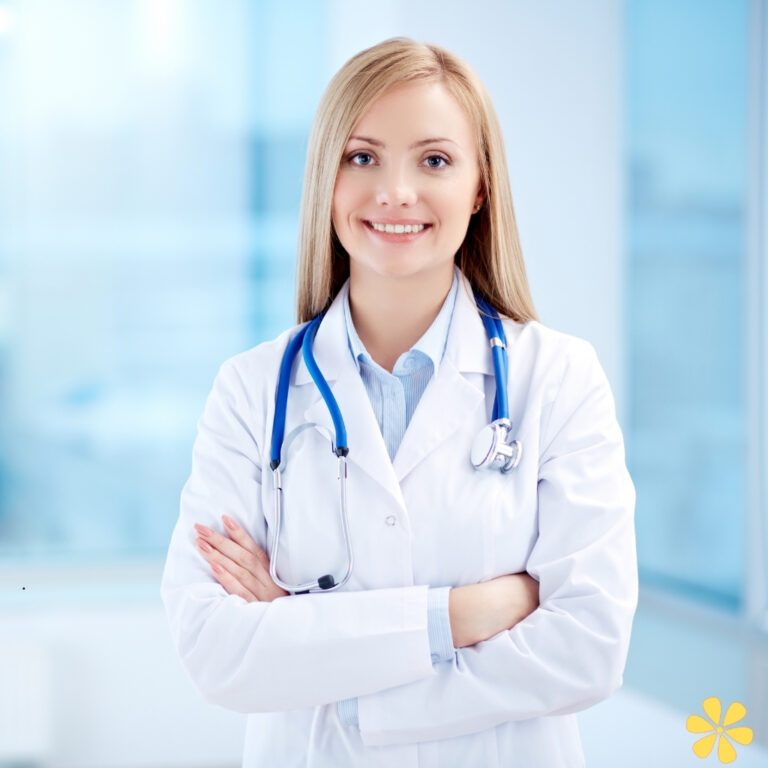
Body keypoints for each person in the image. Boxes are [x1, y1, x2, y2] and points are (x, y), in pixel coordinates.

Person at [161, 37, 638, 768]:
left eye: (435, 160)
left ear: (480, 188)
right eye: (362, 157)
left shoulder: (559, 379)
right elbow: (215, 650)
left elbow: (588, 647)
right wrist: (463, 614)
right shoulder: (252, 393)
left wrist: (321, 655)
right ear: (326, 178)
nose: (395, 192)